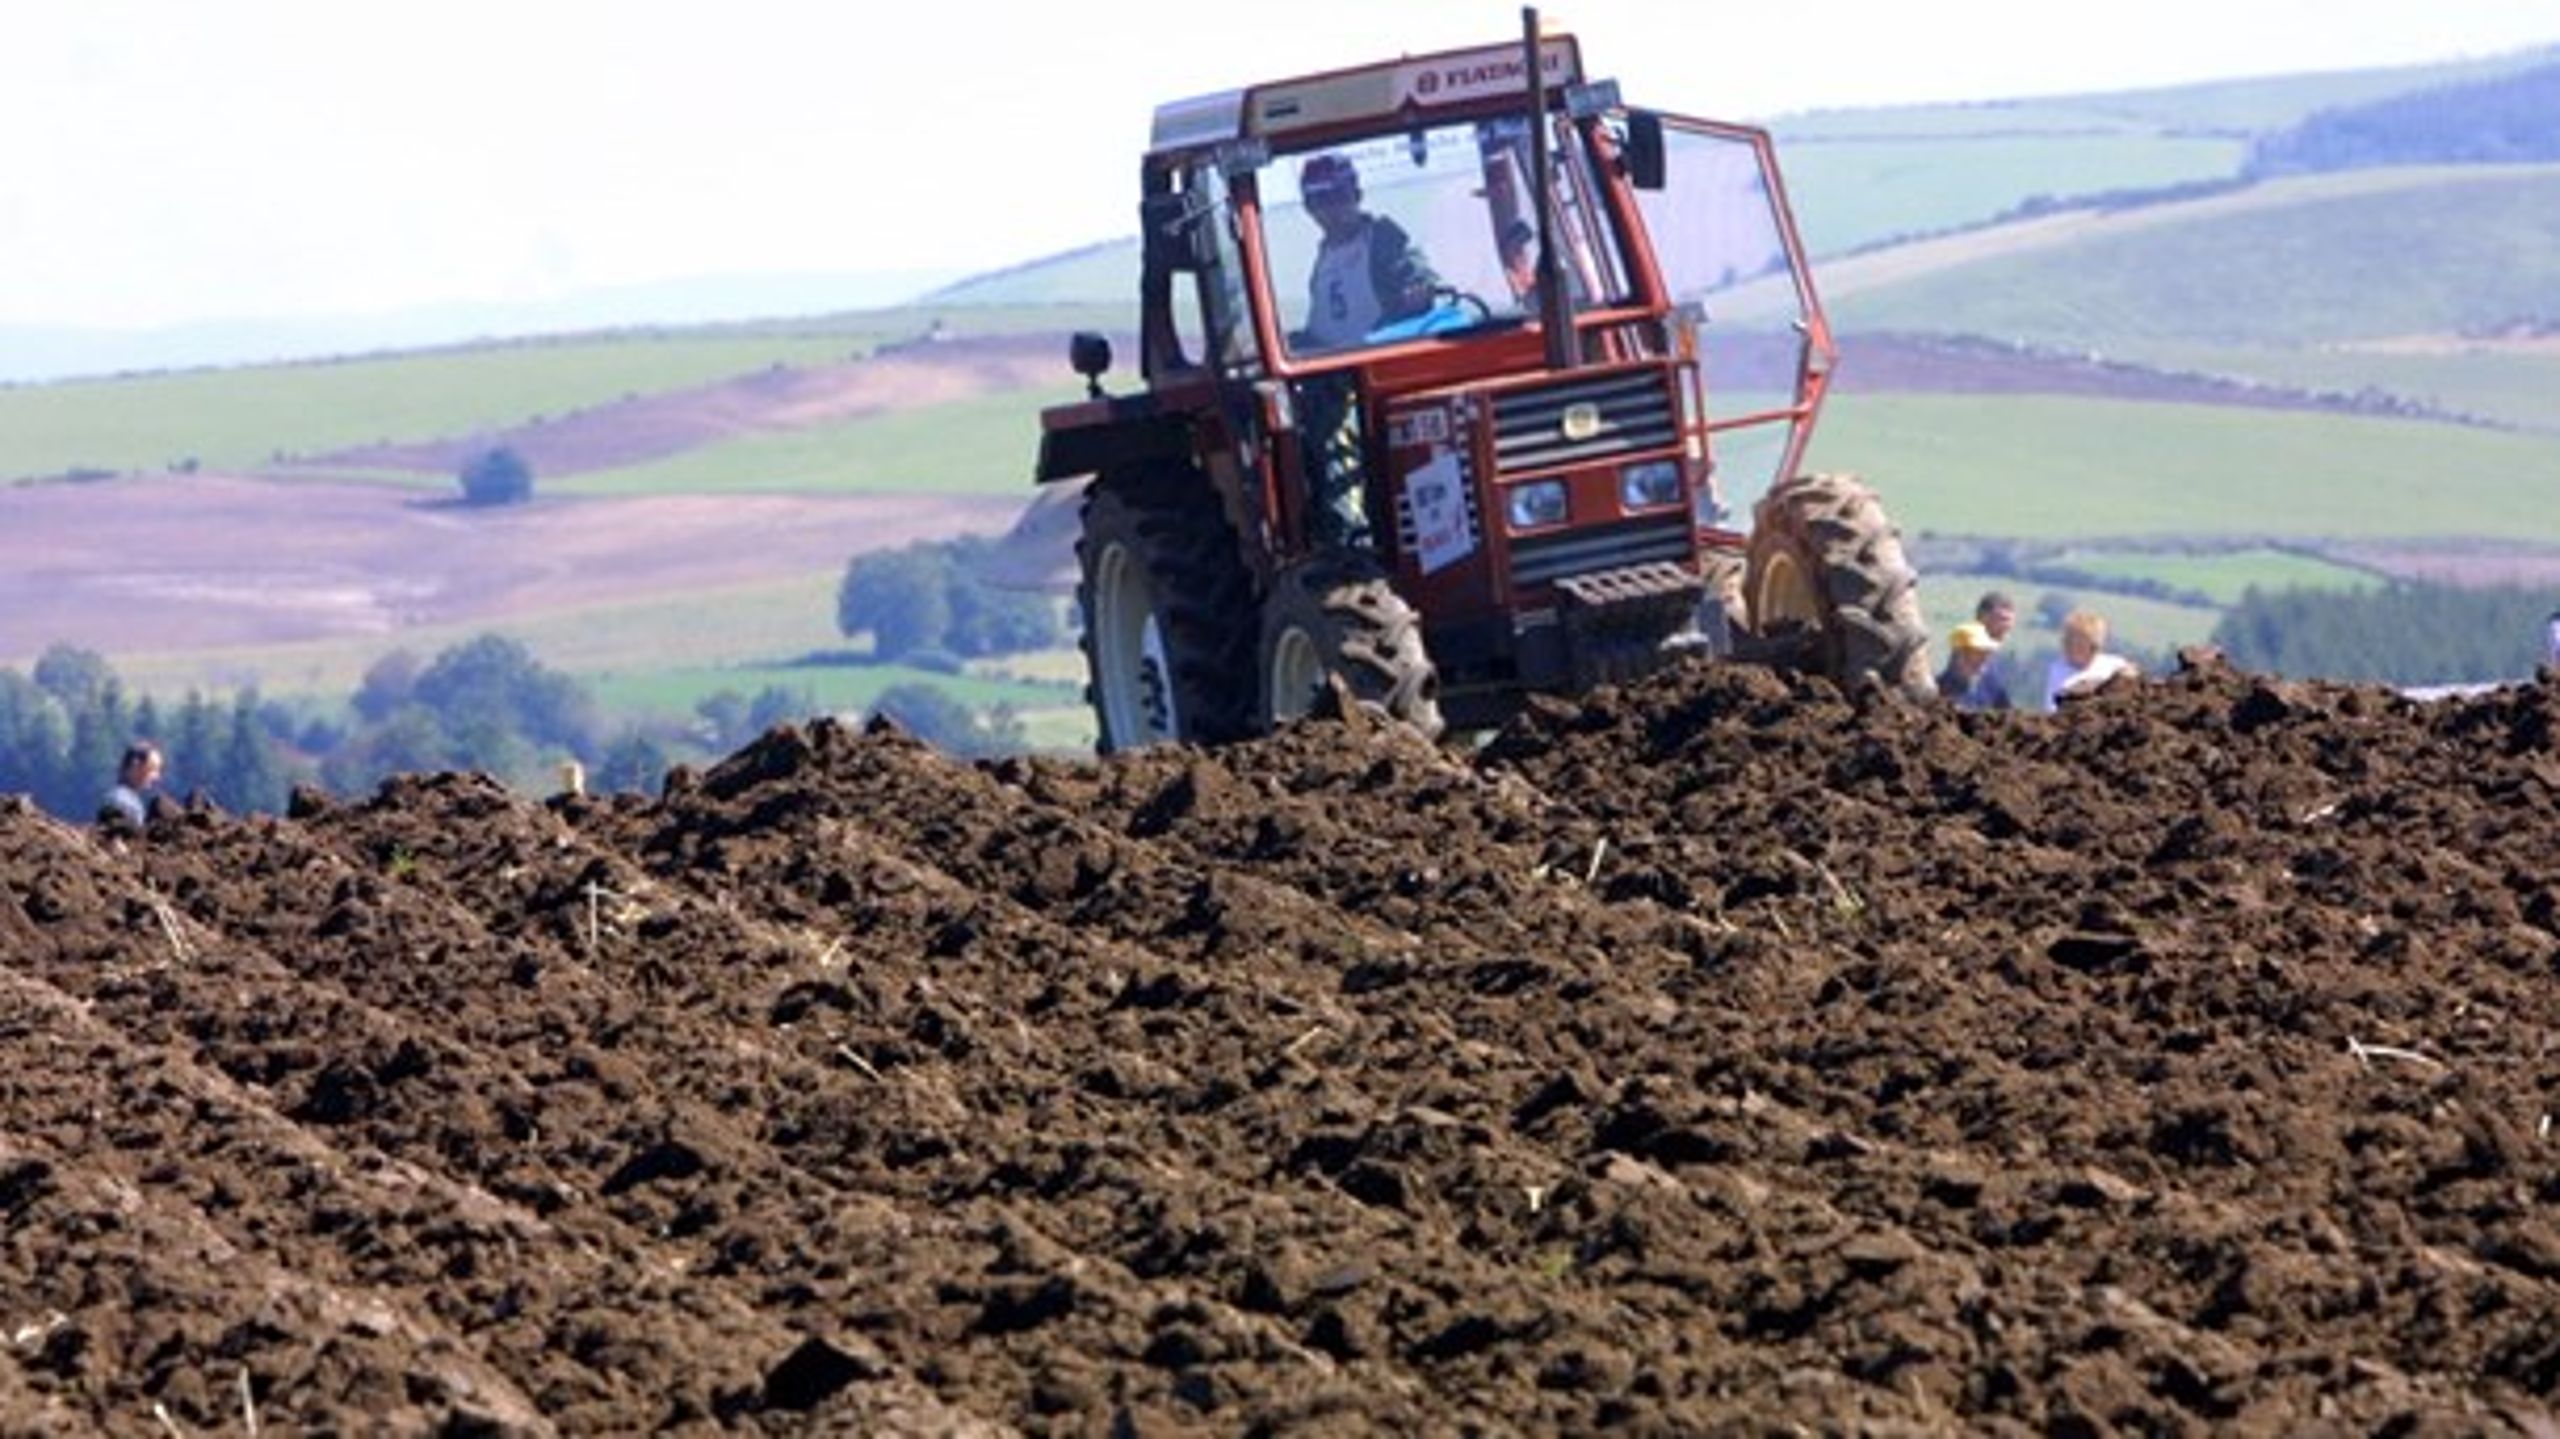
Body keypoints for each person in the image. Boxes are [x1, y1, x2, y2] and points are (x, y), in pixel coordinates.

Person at [1296, 153, 1439, 350]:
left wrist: (1419, 288)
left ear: (1357, 196)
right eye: (1320, 201)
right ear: (1308, 208)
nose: (1332, 209)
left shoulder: (1382, 238)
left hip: (1375, 358)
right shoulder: (1323, 257)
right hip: (1328, 365)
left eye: (1340, 197)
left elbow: (1418, 273)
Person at [2044, 609, 2139, 708]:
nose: (2069, 649)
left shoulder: (2113, 664)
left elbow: (2133, 675)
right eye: (2067, 643)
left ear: (2094, 648)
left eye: (2078, 646)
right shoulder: (2058, 670)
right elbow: (2052, 706)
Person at [1937, 621, 2011, 710]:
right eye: (1979, 652)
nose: (1985, 658)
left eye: (1987, 652)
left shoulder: (1992, 688)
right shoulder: (1938, 691)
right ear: (1960, 654)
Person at [100, 739, 163, 828]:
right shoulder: (121, 802)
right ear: (135, 766)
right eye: (153, 769)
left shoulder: (130, 801)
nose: (157, 777)